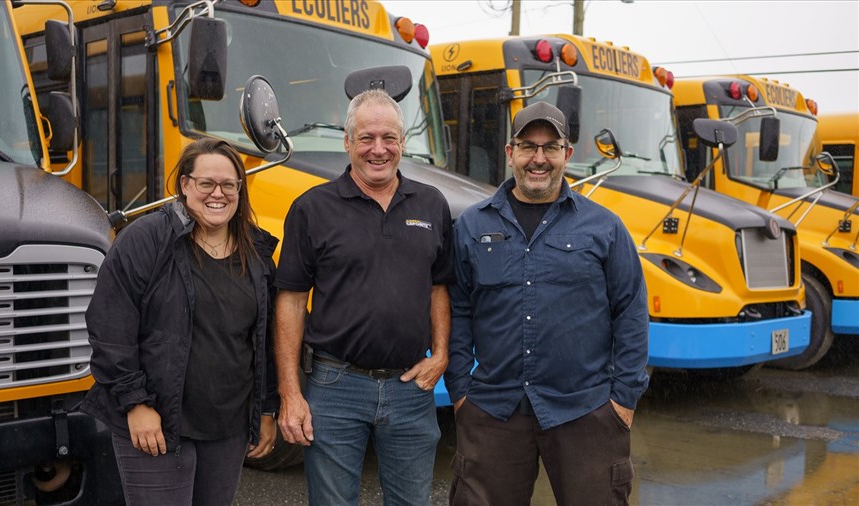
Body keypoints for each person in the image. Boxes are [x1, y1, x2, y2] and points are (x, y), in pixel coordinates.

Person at [445, 101, 650, 506]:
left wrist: (623, 399)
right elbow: (458, 309)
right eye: (527, 146)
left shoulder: (604, 227)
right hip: (492, 410)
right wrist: (460, 391)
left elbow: (631, 311)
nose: (538, 159)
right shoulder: (472, 225)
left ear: (566, 154)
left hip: (585, 411)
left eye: (550, 147)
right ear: (510, 153)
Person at [274, 89, 453, 506]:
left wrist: (441, 353)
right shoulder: (312, 208)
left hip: (412, 388)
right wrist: (290, 393)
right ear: (348, 142)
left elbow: (439, 285)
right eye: (367, 138)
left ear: (403, 142)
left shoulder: (431, 205)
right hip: (335, 385)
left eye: (389, 138)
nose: (379, 149)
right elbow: (291, 302)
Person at [80, 138, 279, 505]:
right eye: (206, 183)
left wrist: (267, 409)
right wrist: (135, 404)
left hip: (227, 427)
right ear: (185, 185)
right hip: (157, 422)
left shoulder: (257, 252)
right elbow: (110, 326)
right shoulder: (147, 238)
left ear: (240, 189)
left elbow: (264, 340)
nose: (217, 194)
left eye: (229, 185)